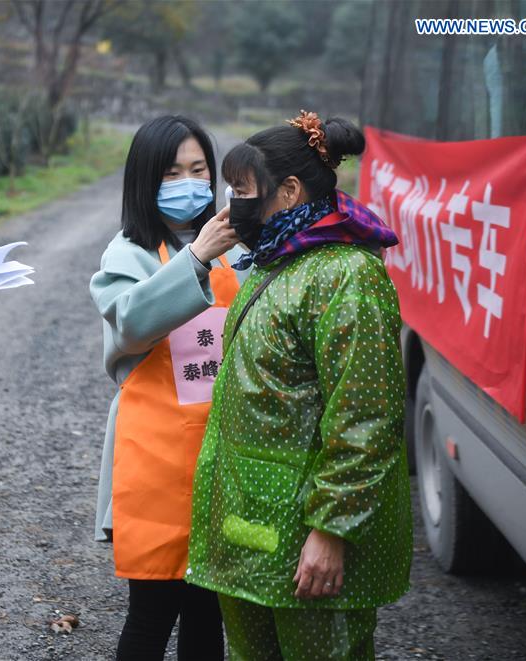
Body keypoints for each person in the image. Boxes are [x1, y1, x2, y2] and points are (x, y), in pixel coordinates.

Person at [186, 111, 413, 661]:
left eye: (242, 191)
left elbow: (366, 419)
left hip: (307, 537)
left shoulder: (347, 276)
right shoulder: (275, 260)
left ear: (287, 192)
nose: (231, 205)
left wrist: (332, 531)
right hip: (258, 526)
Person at [90, 115, 245, 660]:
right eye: (172, 172)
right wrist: (196, 256)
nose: (188, 182)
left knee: (210, 610)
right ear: (145, 181)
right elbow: (130, 323)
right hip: (154, 457)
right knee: (153, 608)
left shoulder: (240, 248)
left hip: (225, 451)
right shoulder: (125, 254)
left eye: (198, 169)